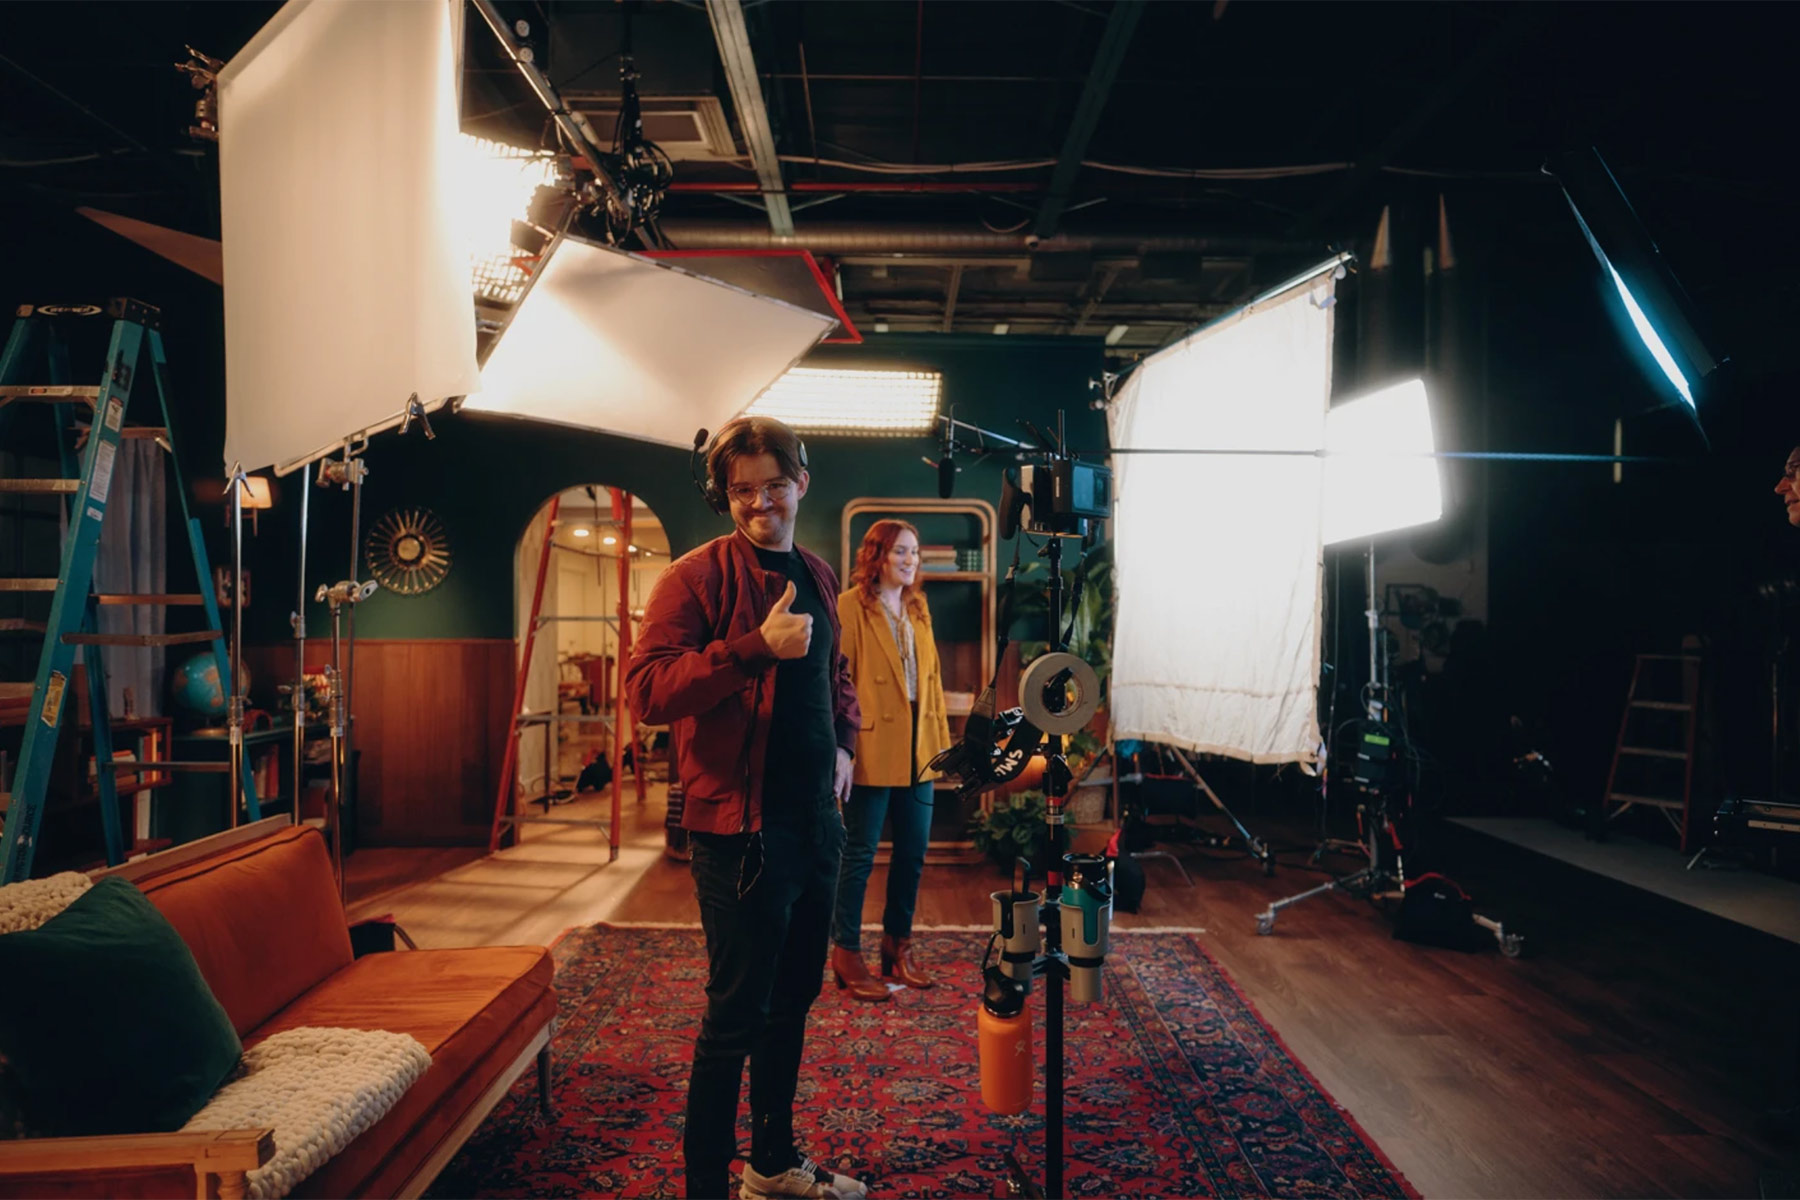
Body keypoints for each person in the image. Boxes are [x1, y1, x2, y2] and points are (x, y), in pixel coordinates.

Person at [626, 416, 866, 1200]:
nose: (759, 502)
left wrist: (845, 746)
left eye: (772, 484)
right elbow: (647, 692)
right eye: (741, 490)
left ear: (802, 481)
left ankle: (770, 1165)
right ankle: (704, 1188)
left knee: (793, 998)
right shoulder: (695, 579)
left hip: (816, 826)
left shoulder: (821, 573)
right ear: (724, 495)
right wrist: (751, 648)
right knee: (735, 1014)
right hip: (741, 834)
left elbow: (836, 675)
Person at [830, 520, 953, 1002]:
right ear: (876, 556)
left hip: (919, 751)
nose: (910, 560)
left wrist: (942, 747)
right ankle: (846, 953)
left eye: (915, 553)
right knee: (859, 856)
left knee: (913, 855)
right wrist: (841, 749)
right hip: (871, 747)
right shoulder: (850, 606)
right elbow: (838, 685)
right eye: (901, 551)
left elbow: (935, 685)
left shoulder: (919, 610)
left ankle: (896, 947)